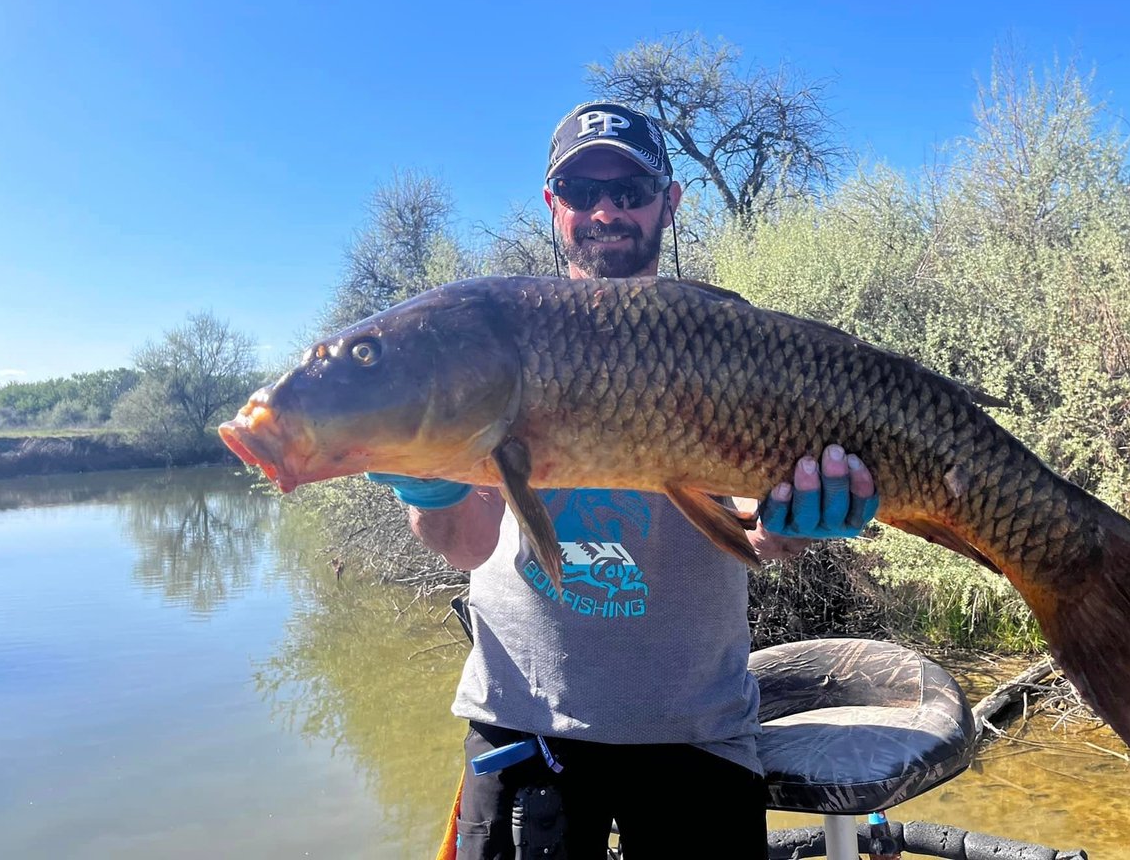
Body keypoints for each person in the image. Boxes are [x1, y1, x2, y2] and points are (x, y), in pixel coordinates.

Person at [368, 101, 878, 860]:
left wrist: (793, 522)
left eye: (630, 190)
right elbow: (465, 546)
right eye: (580, 191)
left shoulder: (721, 344)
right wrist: (428, 485)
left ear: (669, 201)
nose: (605, 210)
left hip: (696, 733)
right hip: (523, 727)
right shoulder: (500, 347)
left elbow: (757, 534)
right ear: (554, 207)